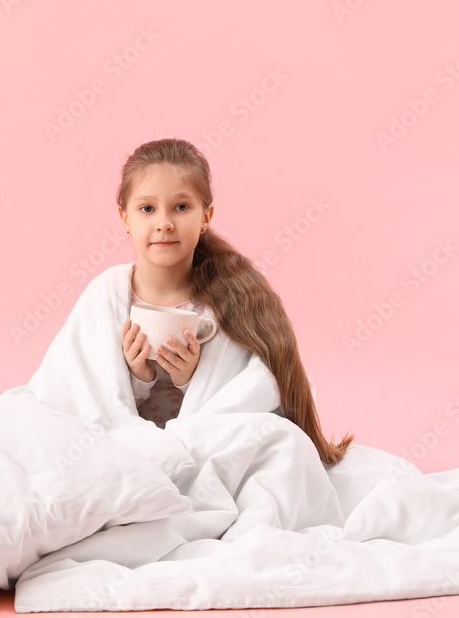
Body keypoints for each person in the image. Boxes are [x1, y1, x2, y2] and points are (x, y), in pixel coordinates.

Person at [116, 137, 353, 464]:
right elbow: (88, 396)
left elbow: (238, 400)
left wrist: (190, 379)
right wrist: (138, 376)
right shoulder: (109, 299)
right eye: (147, 208)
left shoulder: (222, 304)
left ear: (206, 216)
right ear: (125, 217)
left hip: (203, 456)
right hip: (130, 456)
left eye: (182, 207)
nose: (164, 223)